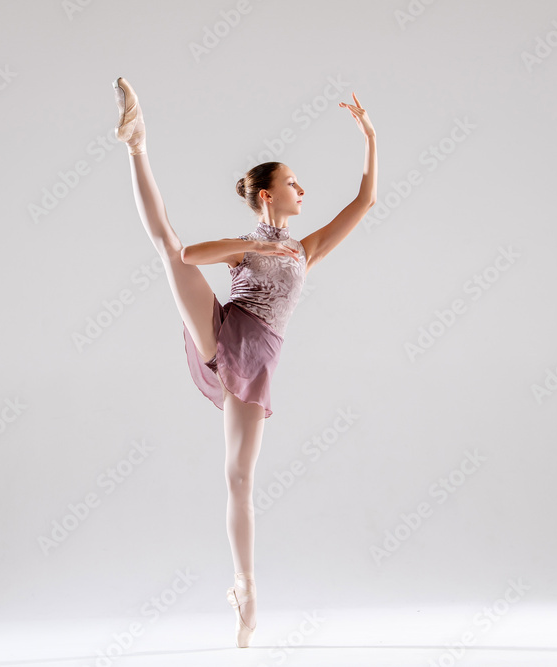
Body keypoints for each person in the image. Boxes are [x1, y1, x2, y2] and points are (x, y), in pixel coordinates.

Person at [111, 76, 376, 648]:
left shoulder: (307, 249)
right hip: (224, 329)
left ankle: (246, 593)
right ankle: (137, 144)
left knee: (237, 478)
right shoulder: (254, 241)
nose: (302, 191)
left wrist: (370, 140)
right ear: (266, 195)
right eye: (292, 184)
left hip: (257, 358)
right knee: (165, 245)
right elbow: (189, 254)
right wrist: (253, 246)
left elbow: (365, 202)